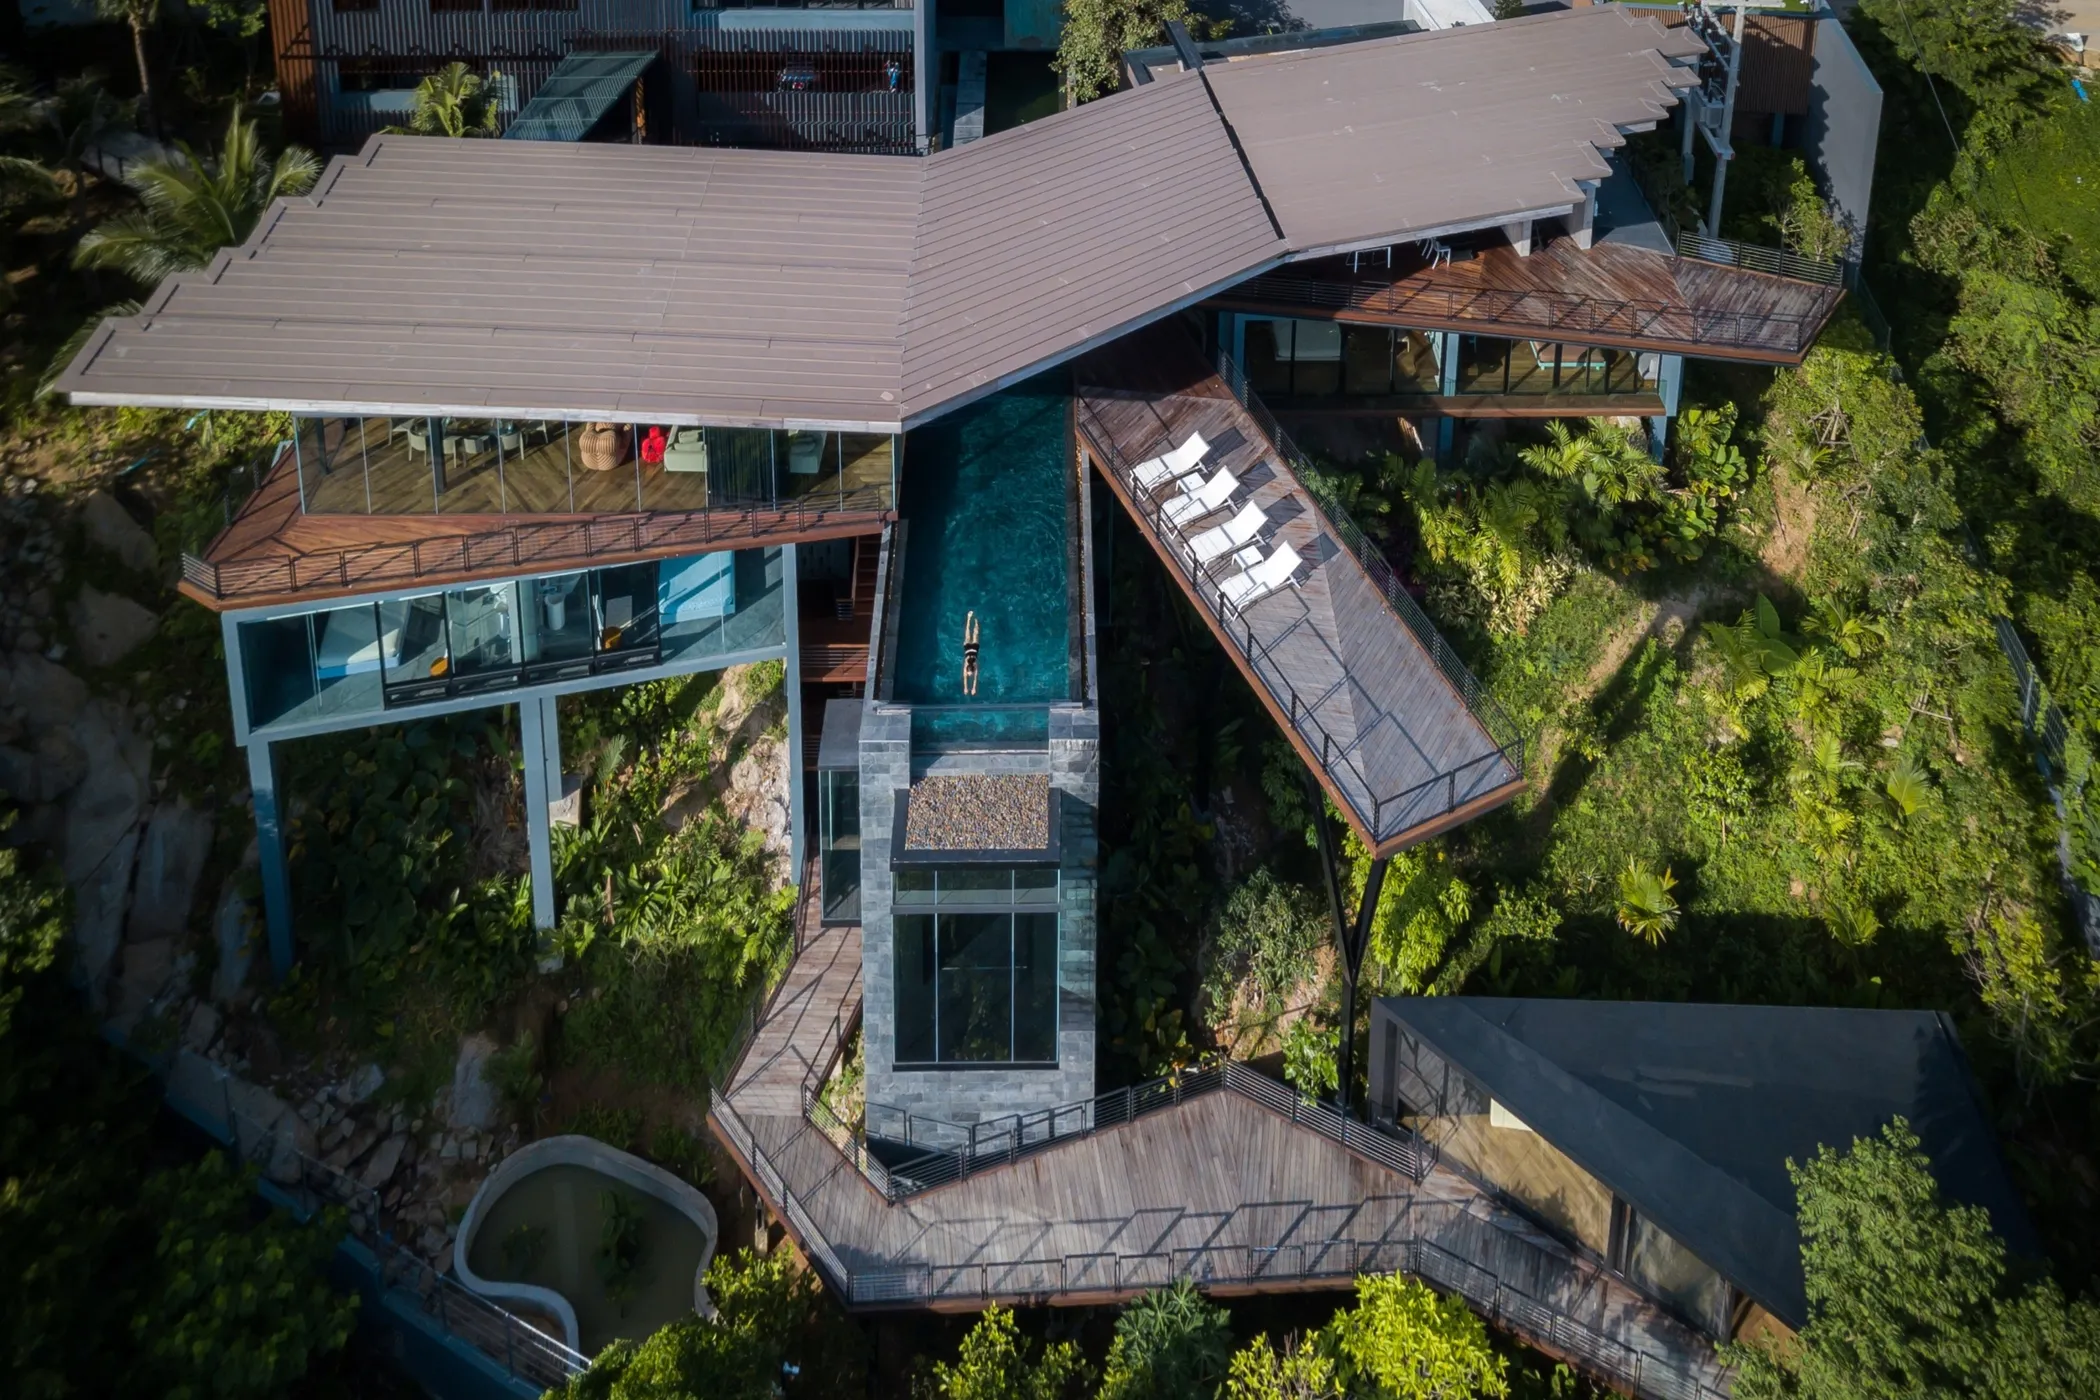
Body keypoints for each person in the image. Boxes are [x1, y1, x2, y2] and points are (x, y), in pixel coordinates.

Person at [961, 611, 981, 697]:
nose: (970, 675)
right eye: (970, 674)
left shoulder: (970, 666)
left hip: (971, 648)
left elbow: (969, 679)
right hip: (969, 648)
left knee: (972, 634)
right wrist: (972, 688)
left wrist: (968, 688)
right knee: (971, 634)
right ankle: (973, 620)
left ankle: (972, 619)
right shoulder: (973, 666)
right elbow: (973, 679)